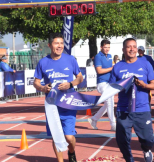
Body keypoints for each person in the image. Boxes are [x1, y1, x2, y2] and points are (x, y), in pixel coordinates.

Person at [33, 33, 83, 162]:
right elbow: (36, 82)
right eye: (56, 43)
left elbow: (80, 77)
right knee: (56, 136)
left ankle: (71, 152)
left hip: (68, 103)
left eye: (61, 43)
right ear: (50, 45)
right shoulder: (43, 62)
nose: (59, 46)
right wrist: (43, 88)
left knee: (69, 137)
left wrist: (70, 84)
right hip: (52, 105)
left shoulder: (71, 59)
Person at [110, 38, 154, 162]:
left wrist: (144, 85)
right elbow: (111, 87)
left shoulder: (145, 63)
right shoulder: (117, 67)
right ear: (123, 50)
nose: (132, 49)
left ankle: (146, 149)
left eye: (134, 47)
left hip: (142, 108)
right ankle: (129, 159)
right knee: (122, 140)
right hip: (123, 109)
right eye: (129, 47)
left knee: (148, 139)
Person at [88, 40, 116, 131]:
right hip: (102, 83)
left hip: (110, 83)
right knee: (110, 102)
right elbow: (99, 71)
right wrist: (112, 68)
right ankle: (113, 124)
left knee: (107, 104)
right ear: (101, 47)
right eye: (105, 47)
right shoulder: (97, 56)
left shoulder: (110, 56)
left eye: (108, 47)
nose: (107, 49)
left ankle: (94, 119)